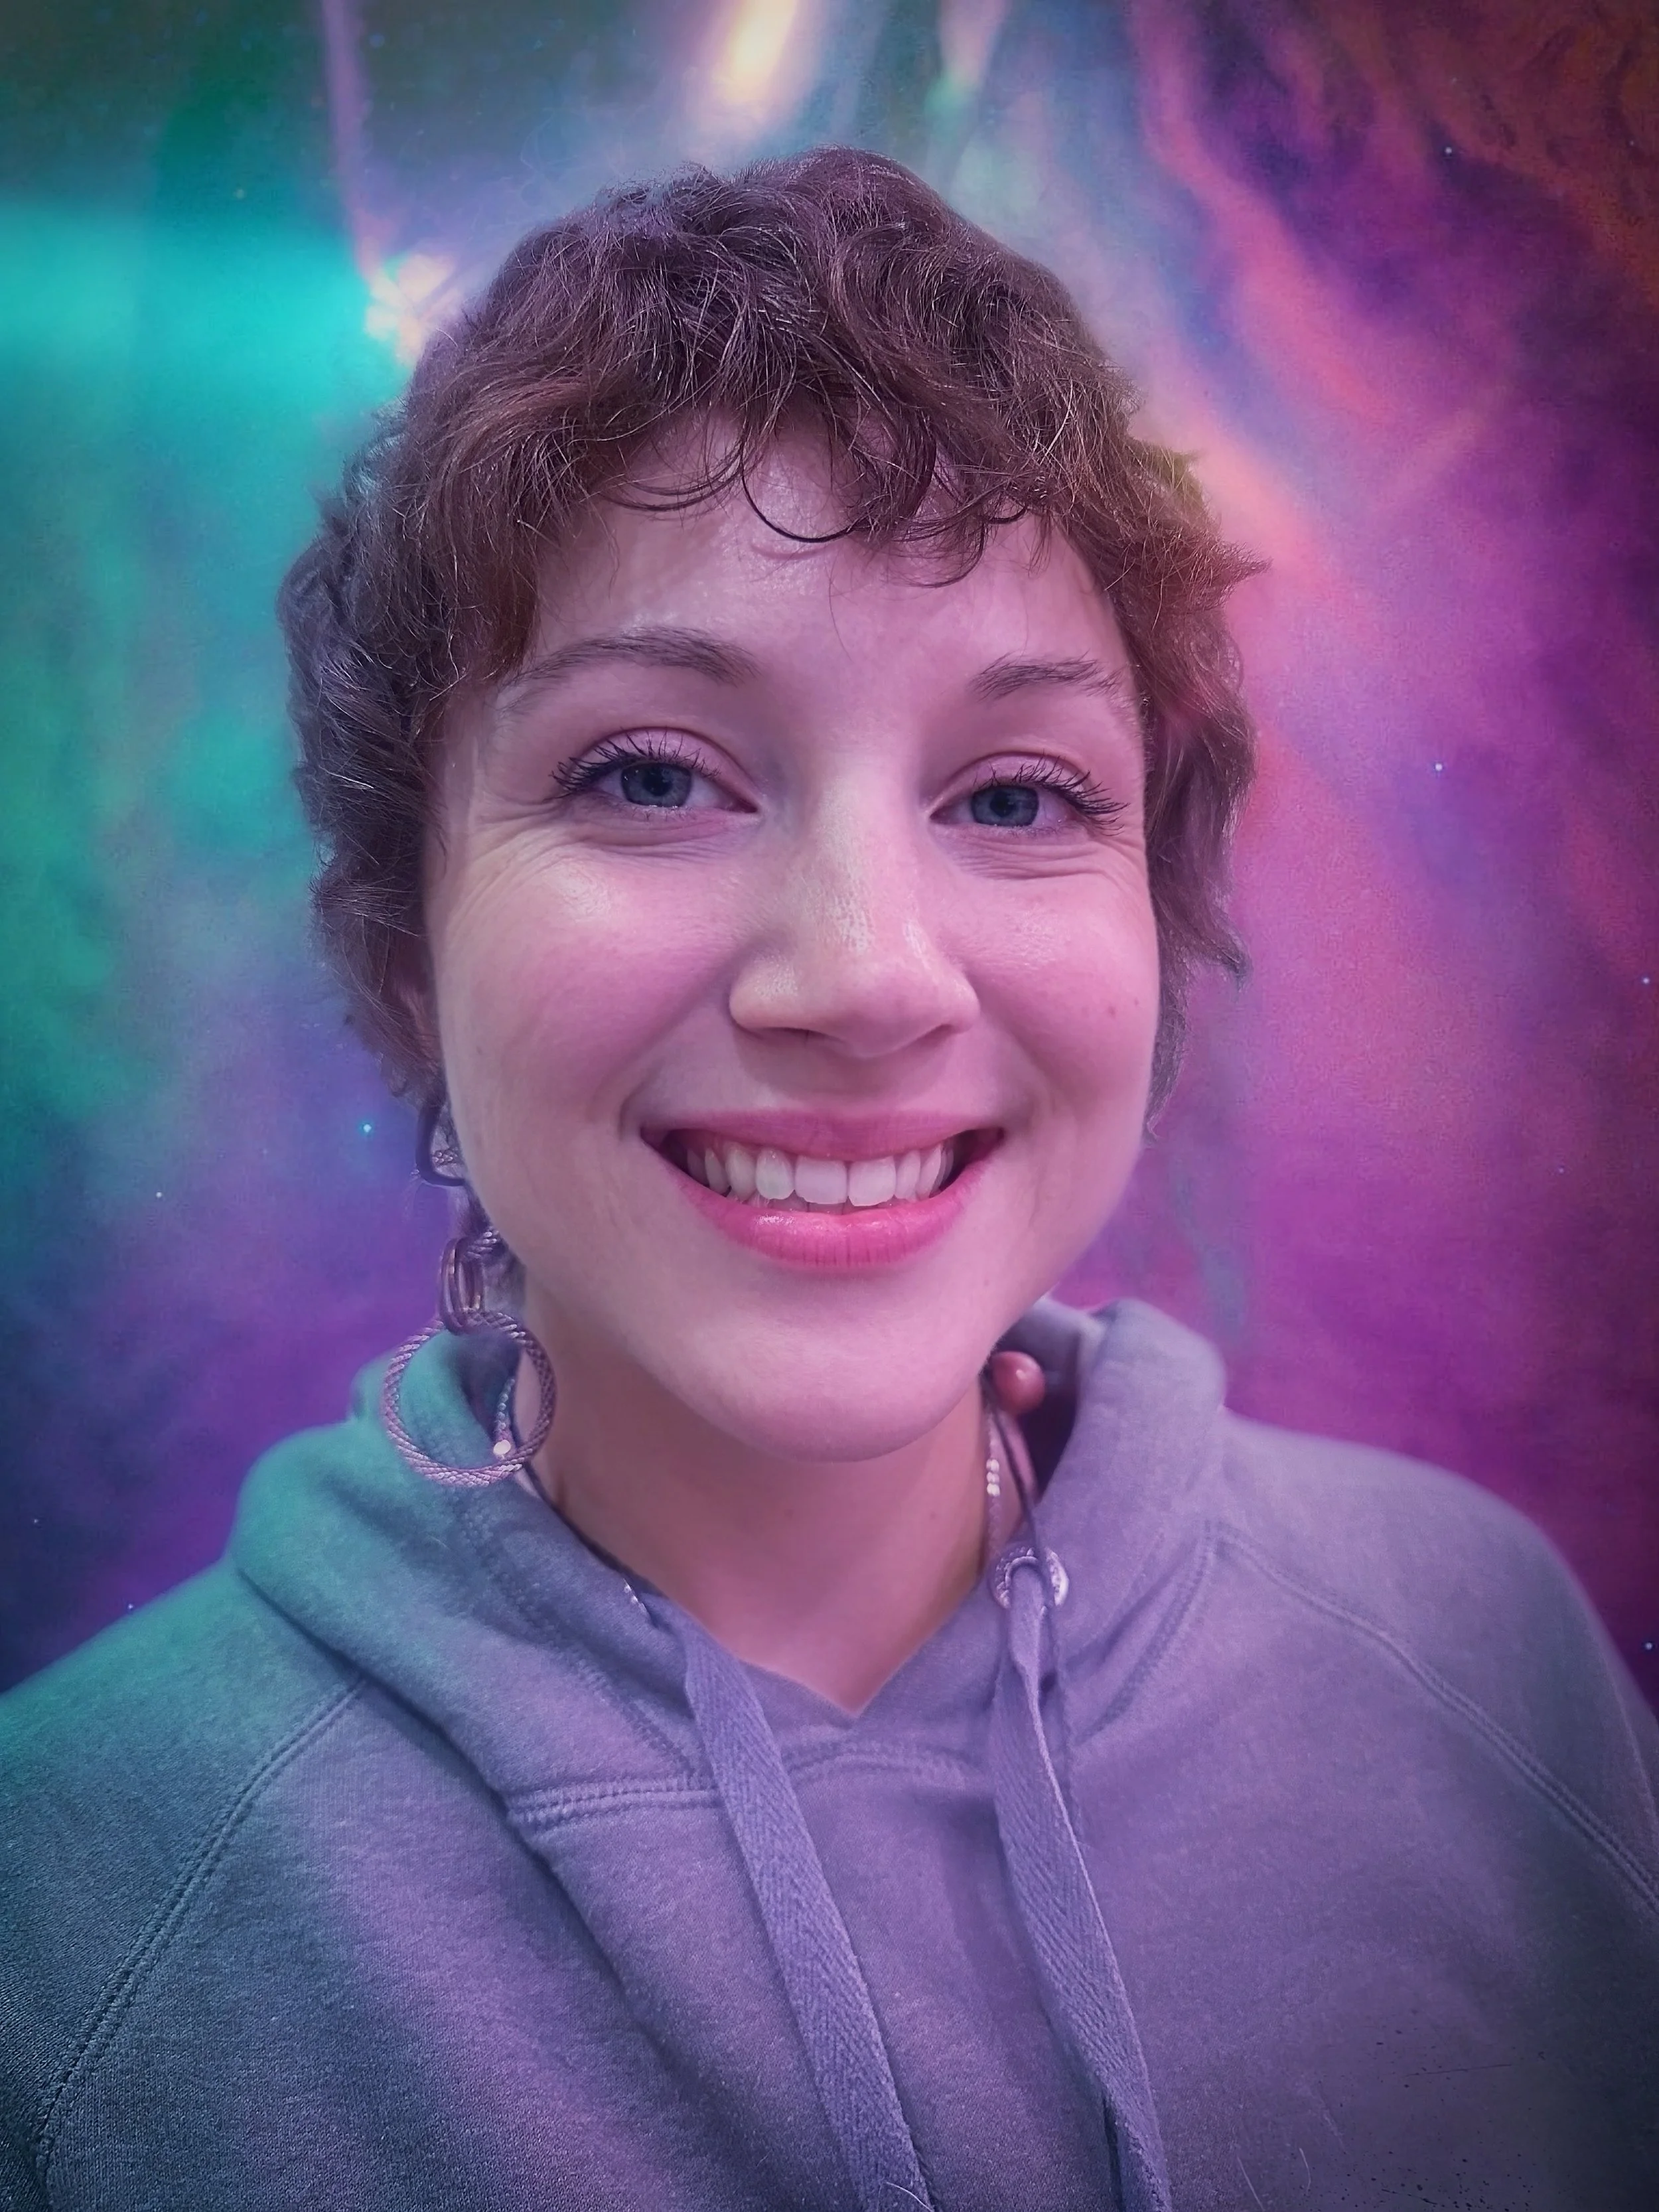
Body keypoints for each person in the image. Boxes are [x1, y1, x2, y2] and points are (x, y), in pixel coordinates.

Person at [1, 147, 1655, 2212]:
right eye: (648, 773)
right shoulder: (65, 1909)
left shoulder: (1480, 1658)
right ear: (403, 943)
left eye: (1016, 792)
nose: (863, 974)